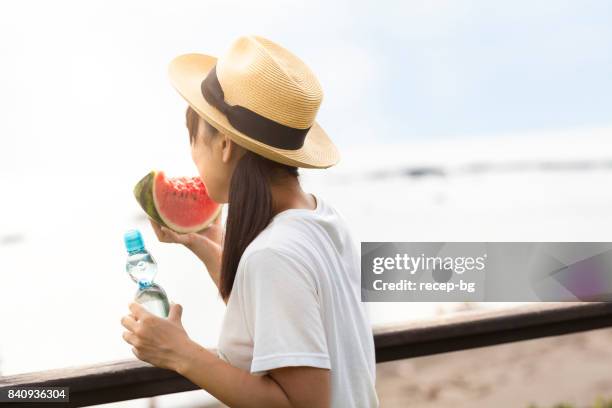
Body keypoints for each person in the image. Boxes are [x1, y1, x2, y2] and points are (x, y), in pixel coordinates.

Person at [120, 35, 379, 408]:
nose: (191, 155)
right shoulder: (323, 219)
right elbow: (280, 321)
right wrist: (207, 247)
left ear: (224, 144)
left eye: (193, 139)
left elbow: (303, 404)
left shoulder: (273, 255)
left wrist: (180, 353)